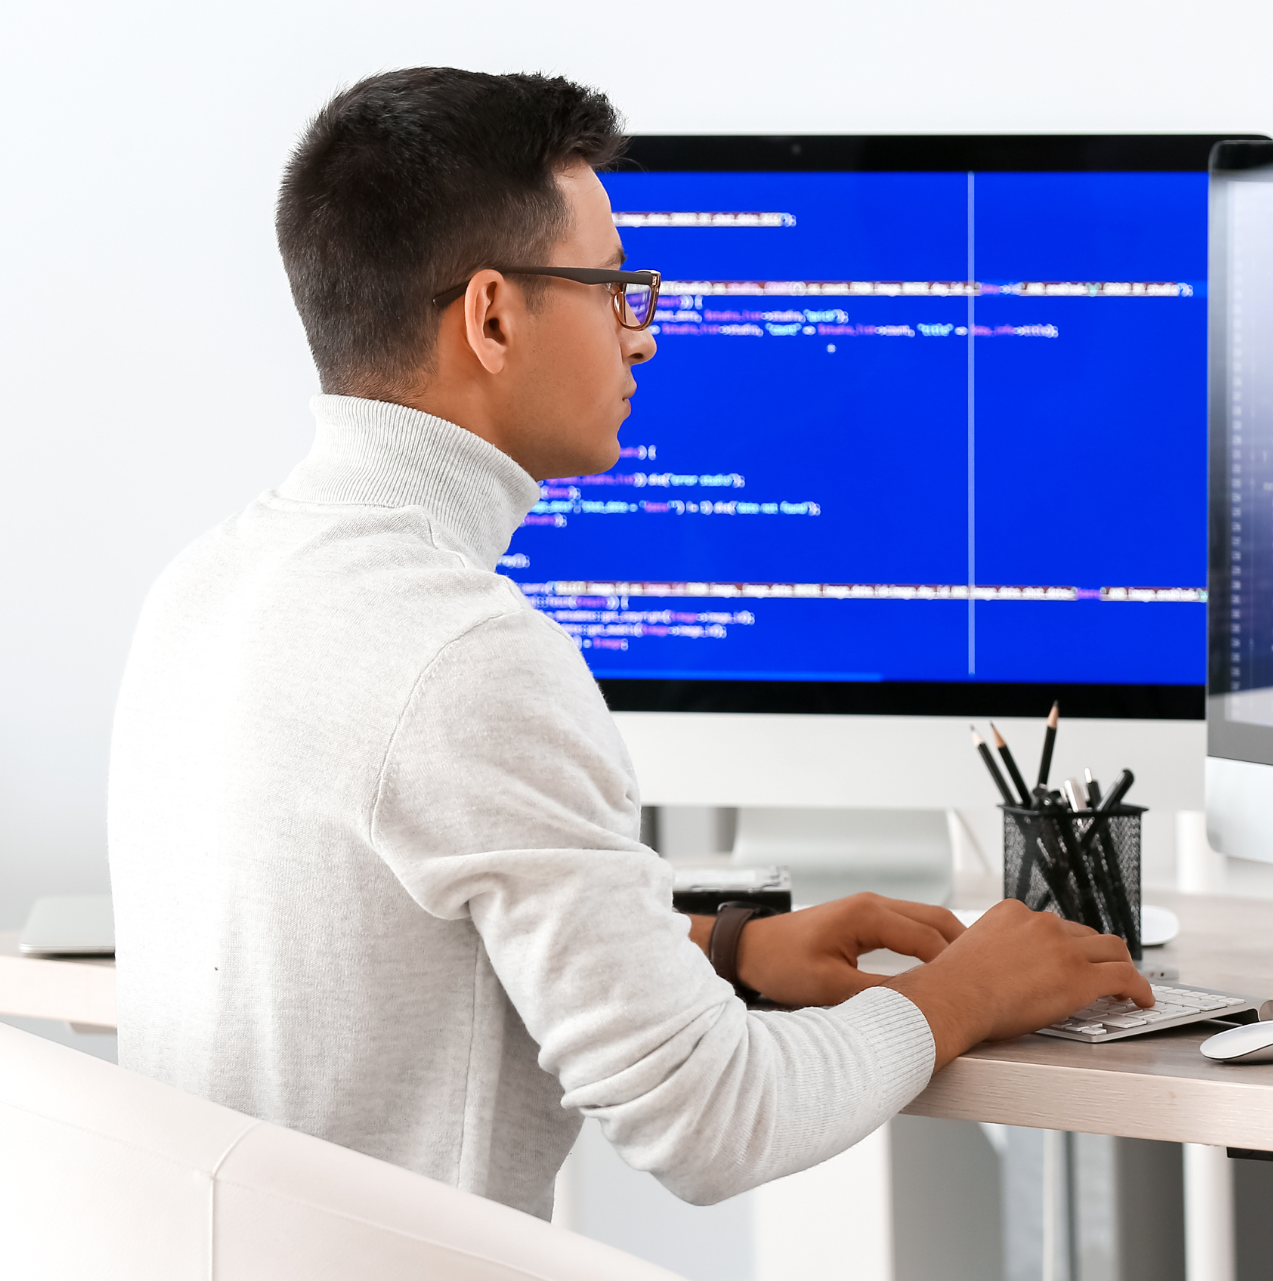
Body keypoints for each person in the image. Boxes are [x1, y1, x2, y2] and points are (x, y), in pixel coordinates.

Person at [105, 66, 1152, 1219]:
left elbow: (390, 930)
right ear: (492, 317)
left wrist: (720, 948)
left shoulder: (207, 582)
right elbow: (711, 1120)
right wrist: (964, 992)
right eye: (612, 287)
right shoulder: (467, 655)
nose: (641, 338)